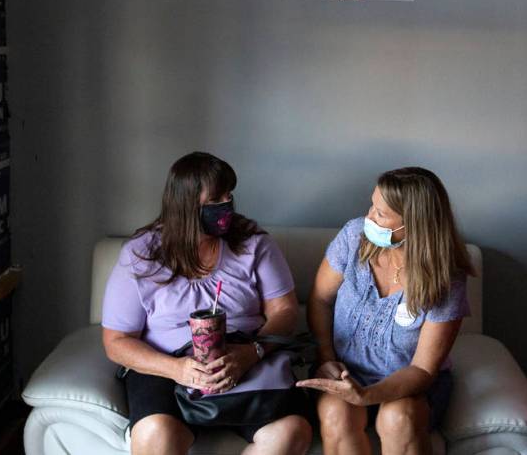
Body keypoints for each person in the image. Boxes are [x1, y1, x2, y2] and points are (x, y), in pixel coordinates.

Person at [101, 152, 312, 455]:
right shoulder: (141, 254)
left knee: (292, 431)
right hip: (166, 366)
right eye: (216, 200)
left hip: (243, 356)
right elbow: (116, 342)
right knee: (154, 434)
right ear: (185, 205)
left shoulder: (253, 243)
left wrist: (251, 353)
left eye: (229, 195)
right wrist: (177, 369)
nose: (227, 204)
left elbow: (285, 311)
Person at [298, 167, 474, 455]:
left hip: (409, 383)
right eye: (372, 205)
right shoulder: (354, 237)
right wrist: (326, 357)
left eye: (381, 214)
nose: (369, 217)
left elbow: (423, 369)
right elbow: (319, 300)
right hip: (346, 373)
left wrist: (367, 396)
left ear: (414, 226)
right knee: (335, 412)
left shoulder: (446, 278)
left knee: (398, 417)